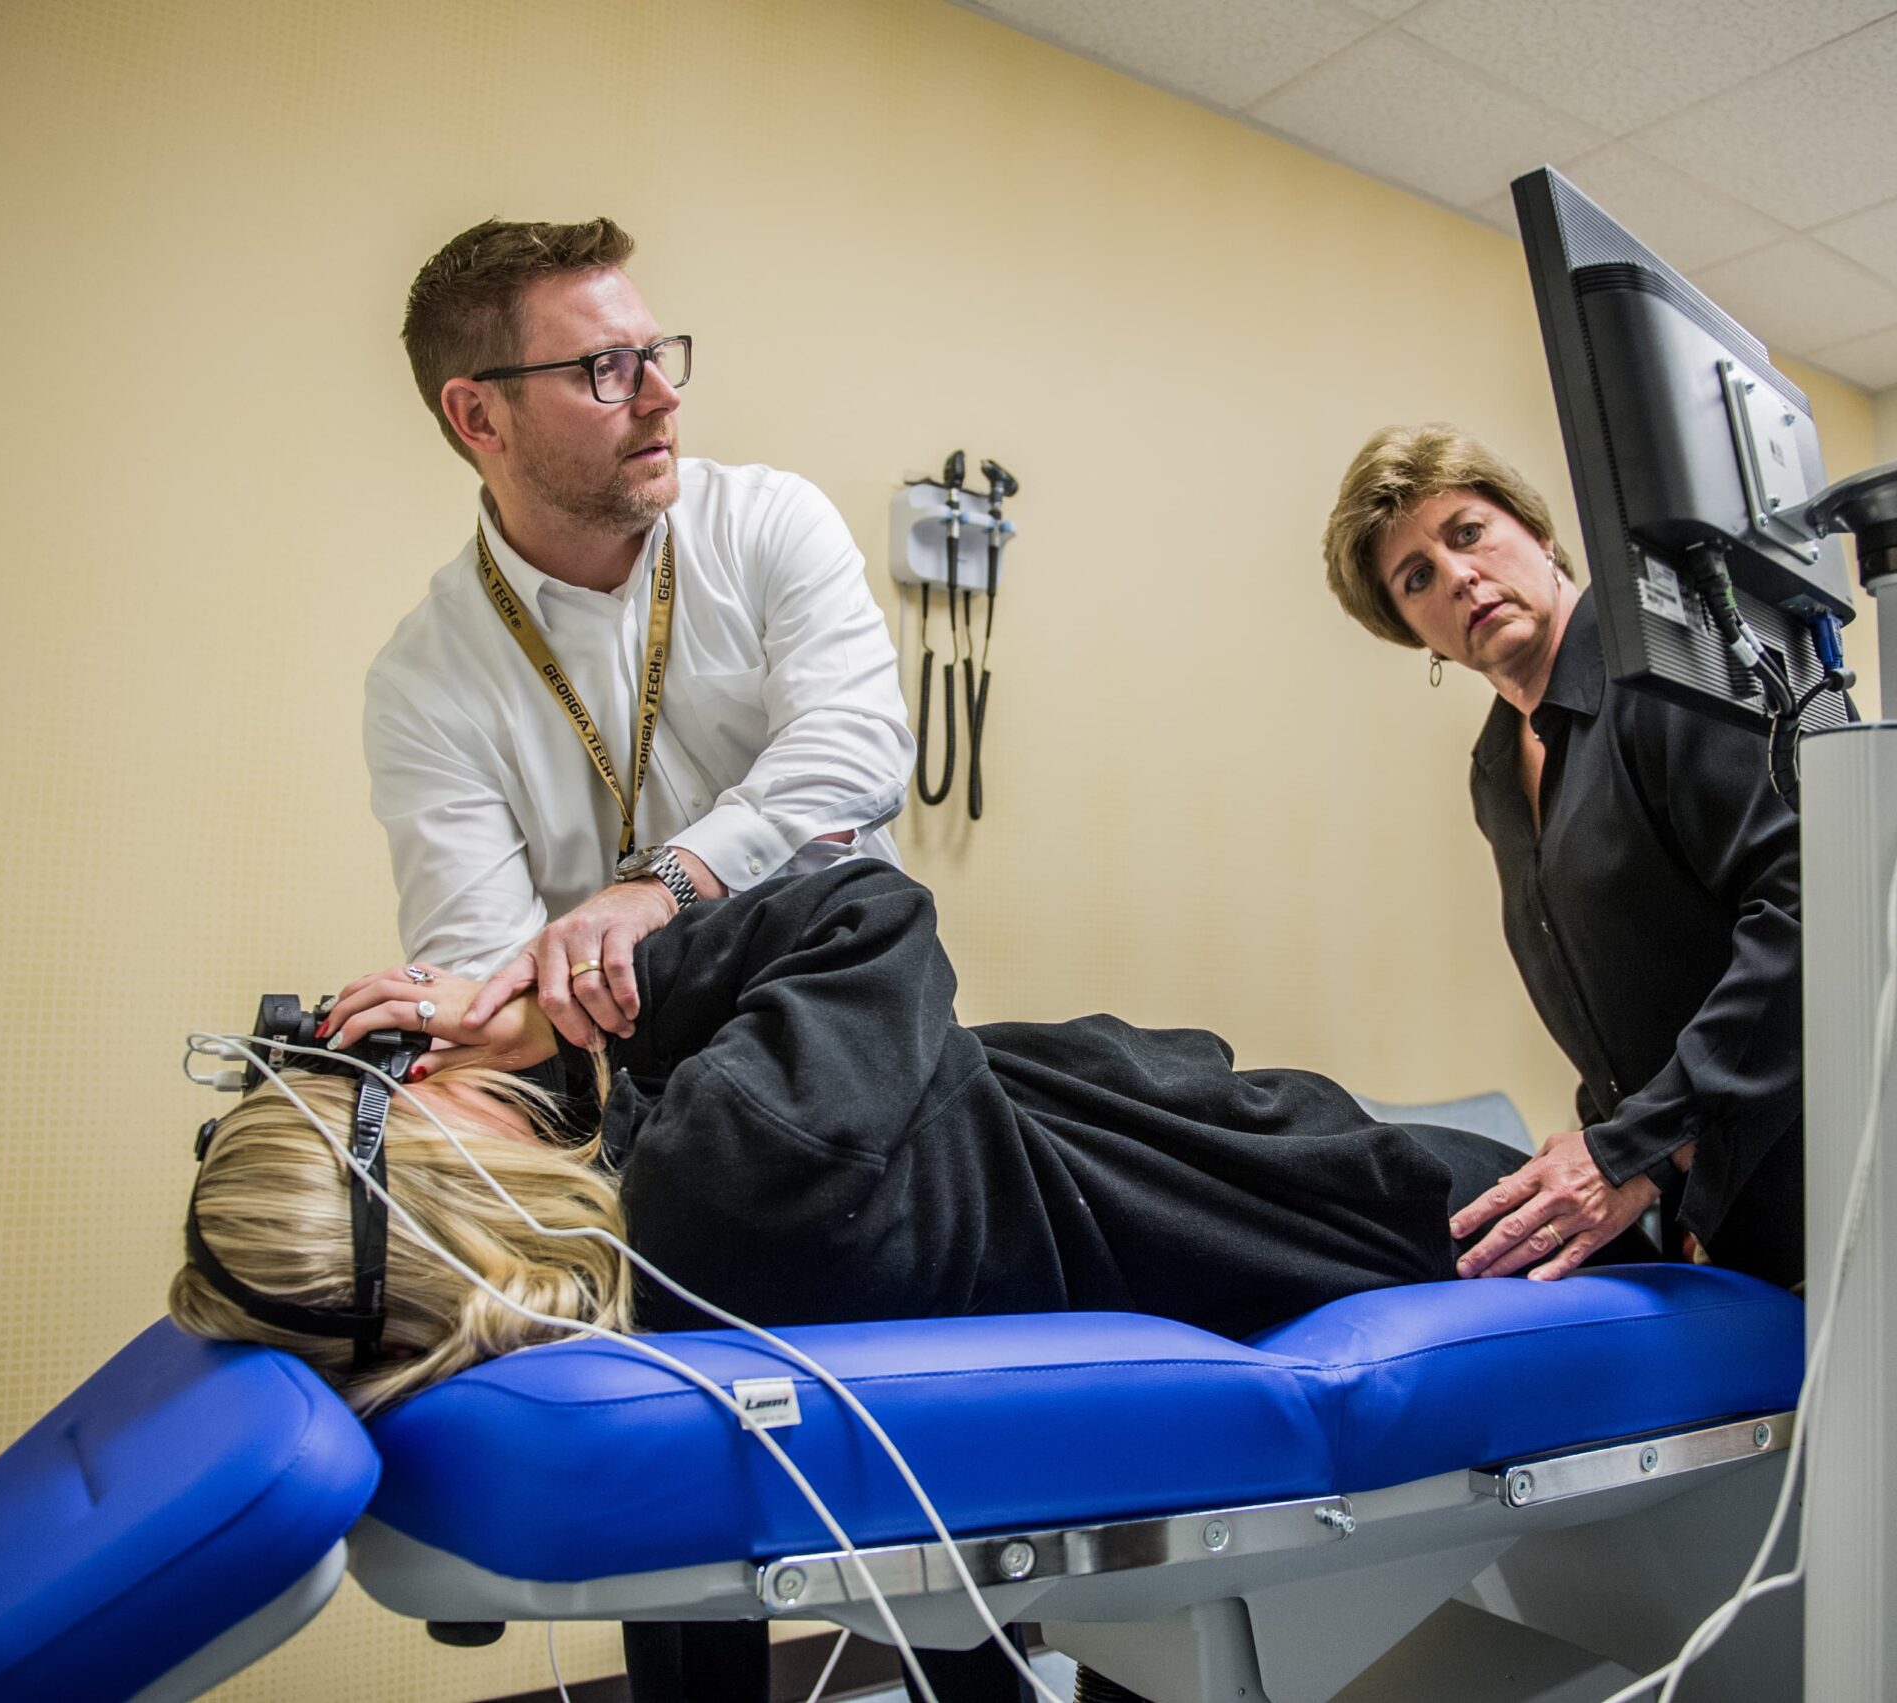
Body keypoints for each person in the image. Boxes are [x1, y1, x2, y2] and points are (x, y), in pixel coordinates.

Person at [172, 862, 1579, 1703]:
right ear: (451, 1192)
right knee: (1600, 1208)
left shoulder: (624, 1289)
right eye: (397, 1089)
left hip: (1188, 1178)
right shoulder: (730, 1169)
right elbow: (871, 911)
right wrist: (564, 994)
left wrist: (539, 1060)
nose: (420, 1054)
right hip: (1281, 1191)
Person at [370, 216, 913, 1057]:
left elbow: (855, 753)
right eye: (608, 370)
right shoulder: (423, 682)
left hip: (860, 1041)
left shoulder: (769, 521)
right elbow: (487, 982)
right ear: (479, 415)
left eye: (657, 354)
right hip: (628, 1096)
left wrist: (662, 888)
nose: (664, 395)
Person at [1320, 425, 1805, 1290]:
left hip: (1808, 1166)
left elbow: (1805, 920)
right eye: (1417, 577)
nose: (1458, 575)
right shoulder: (1497, 770)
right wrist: (1611, 1151)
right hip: (1688, 1208)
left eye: (1466, 532)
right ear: (1415, 633)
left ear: (1538, 532)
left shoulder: (1669, 671)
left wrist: (1634, 1151)